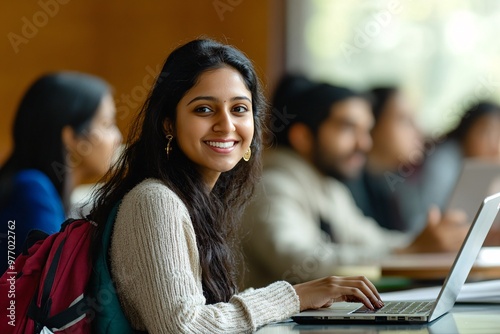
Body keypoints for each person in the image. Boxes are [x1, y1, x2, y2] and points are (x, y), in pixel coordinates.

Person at [87, 39, 384, 334]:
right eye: (204, 110)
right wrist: (296, 296)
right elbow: (182, 326)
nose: (226, 125)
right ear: (168, 124)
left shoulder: (202, 200)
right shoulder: (155, 199)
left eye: (240, 109)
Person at [240, 75, 469, 289]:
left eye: (366, 130)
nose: (364, 144)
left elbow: (372, 241)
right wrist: (408, 251)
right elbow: (299, 261)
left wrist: (429, 243)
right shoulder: (272, 186)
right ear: (303, 137)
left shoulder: (328, 187)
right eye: (348, 128)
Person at [0, 72, 122, 273]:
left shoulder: (39, 189)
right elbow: (54, 287)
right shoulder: (32, 190)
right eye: (107, 124)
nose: (117, 137)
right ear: (72, 138)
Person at [398, 101, 500, 231]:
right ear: (467, 131)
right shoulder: (444, 161)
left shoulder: (483, 166)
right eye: (486, 132)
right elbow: (429, 216)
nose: (494, 145)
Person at [345, 87, 426, 233]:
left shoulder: (397, 184)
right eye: (404, 120)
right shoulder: (348, 189)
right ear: (372, 124)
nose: (418, 130)